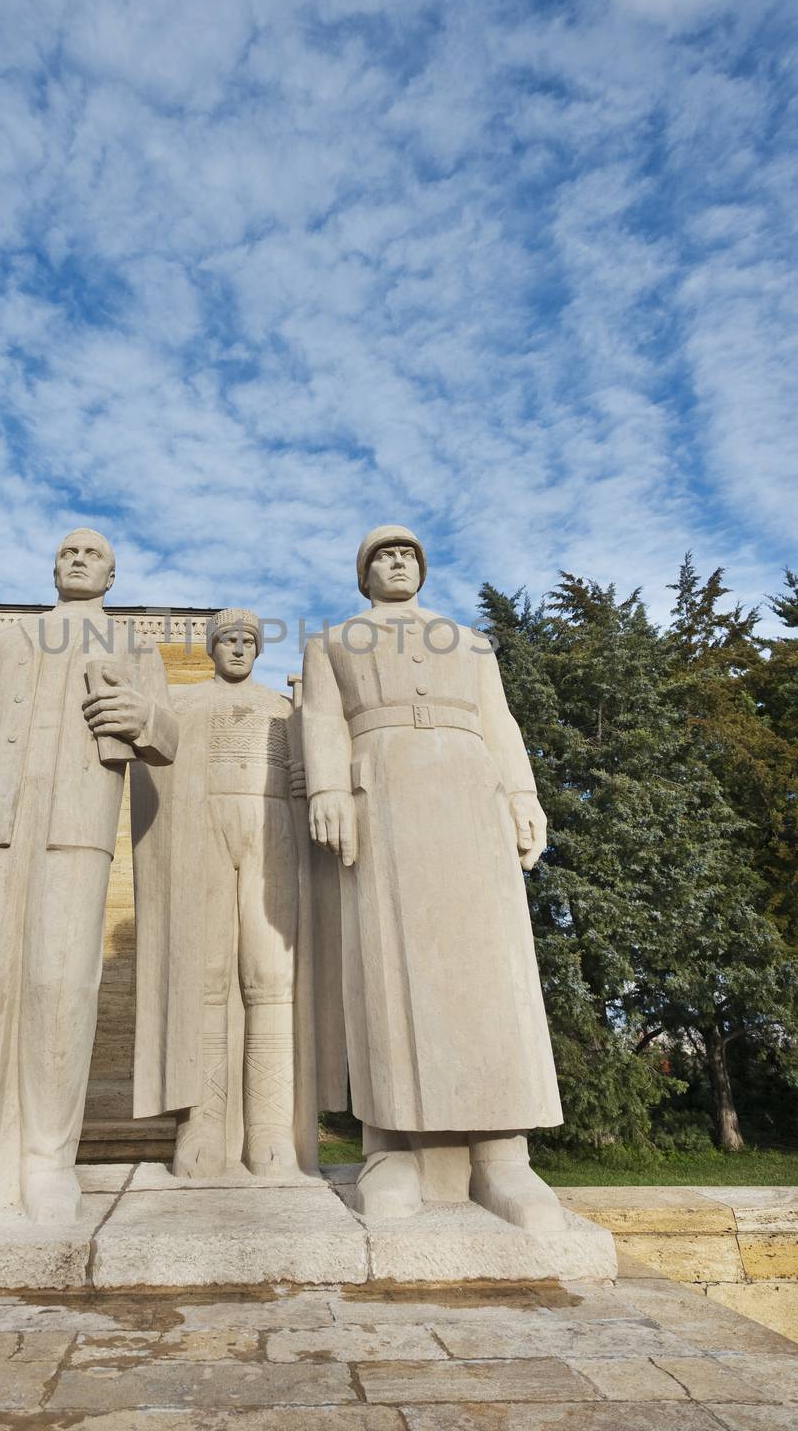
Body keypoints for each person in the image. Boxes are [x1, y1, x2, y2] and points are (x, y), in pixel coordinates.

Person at [0, 528, 177, 1238]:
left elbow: (168, 738)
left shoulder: (132, 646)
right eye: (67, 553)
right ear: (53, 569)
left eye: (92, 555)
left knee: (60, 986)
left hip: (75, 824)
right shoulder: (4, 640)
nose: (78, 560)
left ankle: (46, 1162)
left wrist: (142, 718)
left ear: (112, 577)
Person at [301, 525, 565, 1228]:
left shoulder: (468, 642)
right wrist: (327, 791)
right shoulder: (332, 641)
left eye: (406, 555)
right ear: (364, 575)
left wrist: (522, 795)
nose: (396, 563)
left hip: (469, 792)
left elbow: (500, 721)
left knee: (487, 969)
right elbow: (320, 718)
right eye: (382, 556)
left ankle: (501, 1155)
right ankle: (391, 1149)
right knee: (388, 964)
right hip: (380, 796)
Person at [132, 609, 345, 1178]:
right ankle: (202, 1126)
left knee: (270, 975)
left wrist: (306, 777)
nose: (237, 649)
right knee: (206, 974)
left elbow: (316, 767)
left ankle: (271, 1129)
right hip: (201, 826)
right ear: (211, 648)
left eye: (248, 641)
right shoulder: (182, 705)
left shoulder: (284, 710)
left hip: (270, 828)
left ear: (259, 650)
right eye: (226, 639)